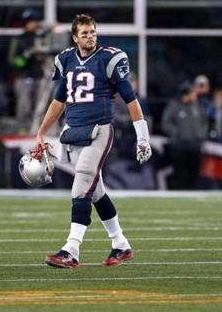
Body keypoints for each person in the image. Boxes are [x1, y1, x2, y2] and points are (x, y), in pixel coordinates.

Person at [35, 14, 152, 268]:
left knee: (82, 183)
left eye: (92, 32)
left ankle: (71, 249)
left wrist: (142, 137)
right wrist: (41, 132)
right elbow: (58, 101)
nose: (90, 37)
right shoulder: (65, 59)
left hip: (99, 130)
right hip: (73, 132)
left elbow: (130, 99)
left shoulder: (109, 58)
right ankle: (120, 244)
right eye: (85, 33)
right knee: (96, 192)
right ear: (75, 37)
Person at [161, 81, 208, 189]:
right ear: (186, 94)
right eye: (192, 93)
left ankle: (193, 195)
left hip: (195, 146)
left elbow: (204, 122)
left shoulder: (197, 106)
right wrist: (175, 133)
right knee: (179, 173)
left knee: (194, 173)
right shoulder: (174, 106)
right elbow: (166, 123)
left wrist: (201, 134)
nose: (195, 95)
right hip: (179, 146)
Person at [8, 9, 47, 132]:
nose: (33, 24)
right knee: (24, 106)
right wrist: (25, 57)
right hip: (23, 76)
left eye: (35, 21)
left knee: (40, 106)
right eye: (31, 21)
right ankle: (23, 130)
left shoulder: (40, 38)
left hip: (39, 76)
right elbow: (12, 60)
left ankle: (39, 130)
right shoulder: (19, 40)